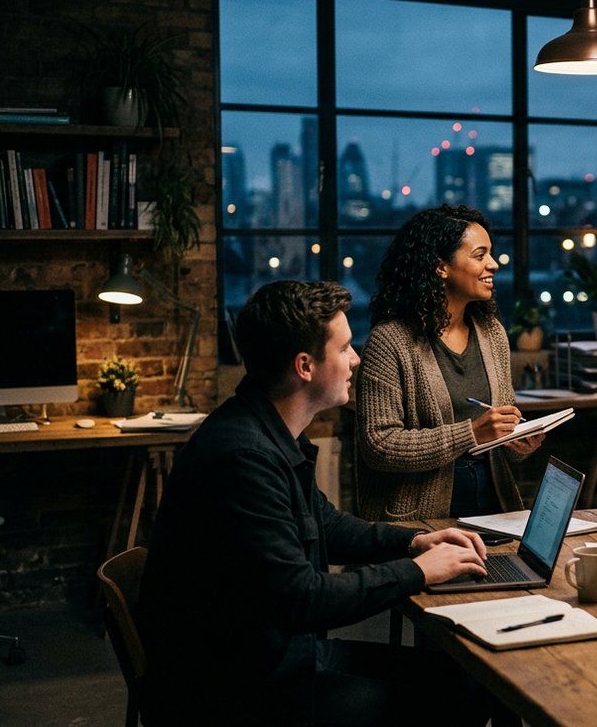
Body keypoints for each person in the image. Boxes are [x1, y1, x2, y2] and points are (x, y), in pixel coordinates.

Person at [139, 281, 492, 725]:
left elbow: (327, 525)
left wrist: (416, 542)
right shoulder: (244, 457)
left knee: (463, 677)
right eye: (344, 348)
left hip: (272, 657)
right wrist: (418, 572)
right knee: (455, 695)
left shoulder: (267, 430)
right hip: (238, 689)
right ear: (305, 366)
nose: (356, 359)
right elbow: (303, 597)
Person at [356, 204, 542, 522]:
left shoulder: (492, 333)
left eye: (491, 254)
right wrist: (470, 433)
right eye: (480, 255)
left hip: (497, 510)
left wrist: (517, 440)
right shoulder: (390, 341)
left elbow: (497, 431)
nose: (494, 265)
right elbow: (379, 445)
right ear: (441, 267)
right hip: (422, 520)